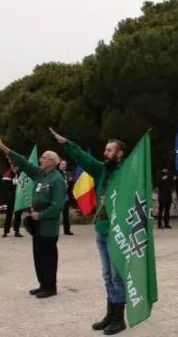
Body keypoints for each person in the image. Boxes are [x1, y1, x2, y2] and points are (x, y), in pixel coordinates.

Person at [49, 128, 127, 335]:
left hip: (116, 231)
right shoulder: (101, 170)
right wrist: (66, 143)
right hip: (101, 229)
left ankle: (120, 318)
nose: (105, 153)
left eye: (110, 150)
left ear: (119, 153)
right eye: (105, 150)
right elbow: (83, 158)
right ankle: (110, 314)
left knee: (117, 276)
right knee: (106, 274)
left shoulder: (127, 173)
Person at [0, 138, 66, 299]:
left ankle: (50, 287)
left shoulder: (57, 180)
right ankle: (42, 284)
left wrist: (41, 215)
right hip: (37, 224)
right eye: (42, 157)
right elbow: (24, 163)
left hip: (48, 225)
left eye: (45, 158)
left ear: (54, 162)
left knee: (48, 257)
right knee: (38, 256)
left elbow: (57, 206)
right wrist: (5, 149)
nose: (41, 159)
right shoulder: (40, 175)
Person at [2, 164, 23, 237]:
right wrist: (13, 184)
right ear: (11, 166)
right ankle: (5, 231)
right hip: (10, 198)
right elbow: (5, 186)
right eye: (13, 166)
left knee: (18, 214)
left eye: (16, 166)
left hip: (19, 197)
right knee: (9, 214)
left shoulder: (21, 174)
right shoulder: (7, 174)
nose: (15, 168)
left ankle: (16, 231)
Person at [59, 159, 74, 235]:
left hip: (66, 197)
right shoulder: (57, 173)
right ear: (59, 165)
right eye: (62, 164)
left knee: (66, 214)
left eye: (65, 164)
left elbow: (70, 186)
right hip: (58, 197)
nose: (64, 166)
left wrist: (71, 181)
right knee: (56, 214)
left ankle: (67, 230)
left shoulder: (68, 174)